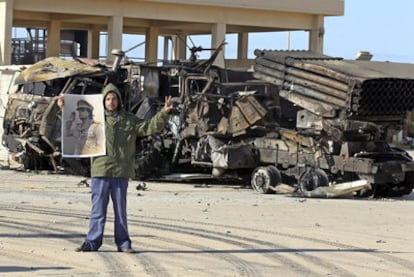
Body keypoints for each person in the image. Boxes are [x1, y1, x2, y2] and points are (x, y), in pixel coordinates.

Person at [57, 83, 173, 253]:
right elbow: (74, 121)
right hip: (100, 170)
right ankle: (91, 242)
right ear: (103, 101)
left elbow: (149, 127)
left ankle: (124, 243)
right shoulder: (94, 118)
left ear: (119, 100)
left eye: (114, 98)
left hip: (121, 171)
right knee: (98, 210)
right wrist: (63, 107)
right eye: (108, 99)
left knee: (120, 211)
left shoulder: (129, 120)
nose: (111, 102)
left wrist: (164, 112)